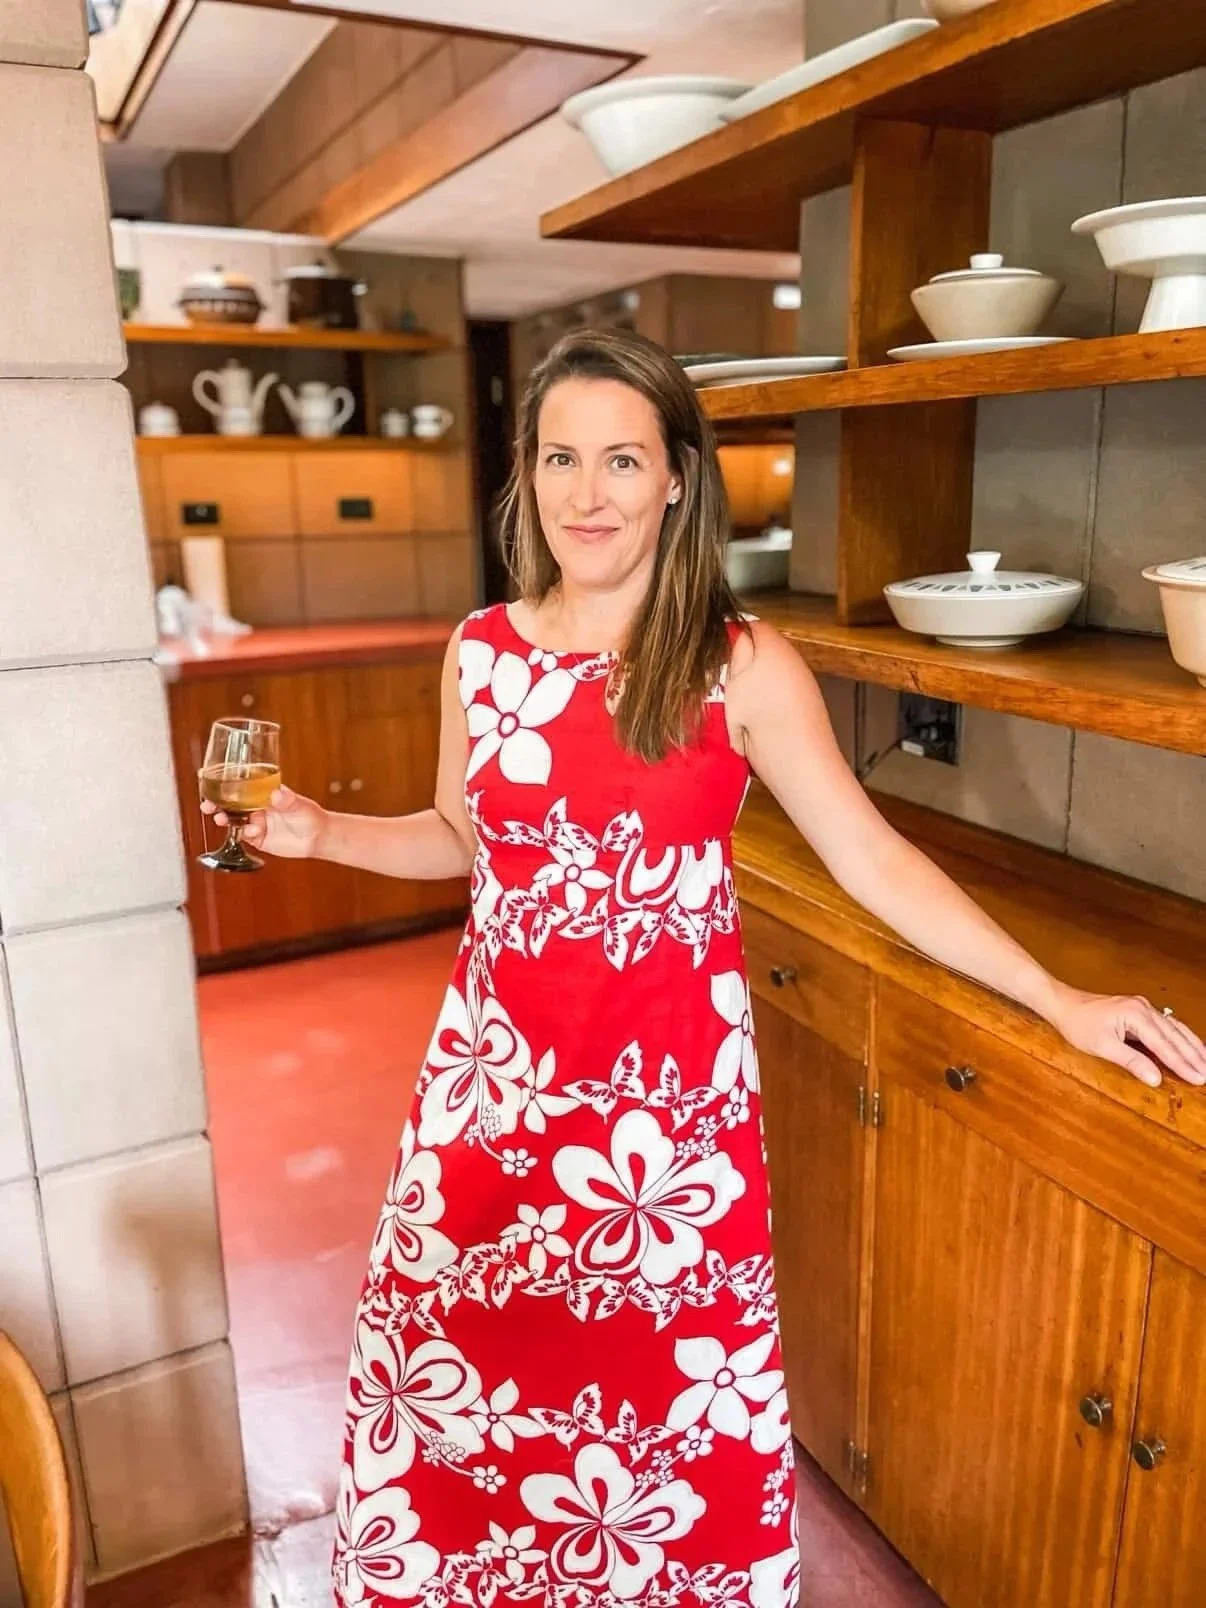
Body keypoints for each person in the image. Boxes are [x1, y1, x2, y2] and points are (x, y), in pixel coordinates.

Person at [204, 329, 1205, 1608]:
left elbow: (873, 859)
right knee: (465, 1414)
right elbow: (462, 836)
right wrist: (321, 832)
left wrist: (1059, 997)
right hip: (489, 1107)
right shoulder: (481, 650)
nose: (588, 494)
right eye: (561, 458)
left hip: (661, 1148)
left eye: (622, 461)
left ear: (677, 477)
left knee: (657, 1441)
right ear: (527, 472)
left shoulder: (739, 666)